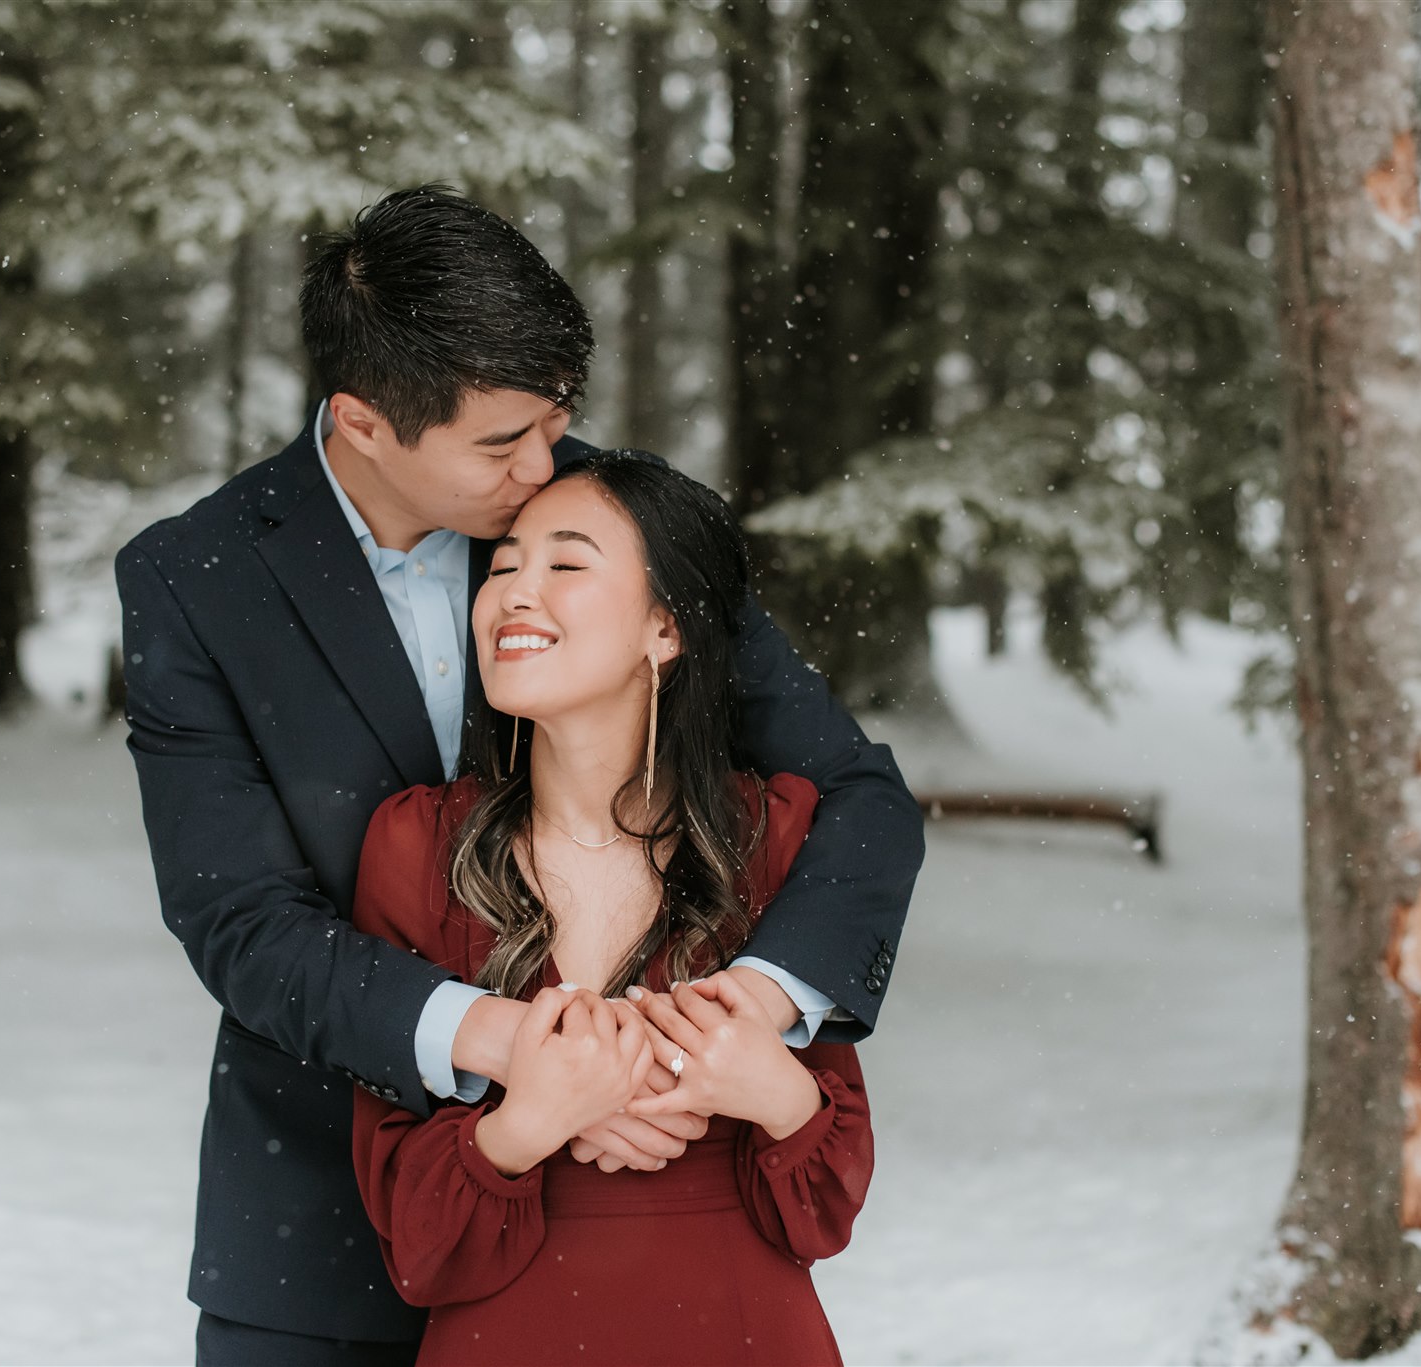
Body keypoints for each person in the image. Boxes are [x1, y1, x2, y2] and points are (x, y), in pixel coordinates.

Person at [115, 184, 922, 1366]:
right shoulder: (195, 579)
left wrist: (740, 1010)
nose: (545, 460)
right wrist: (513, 1049)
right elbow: (238, 920)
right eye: (503, 442)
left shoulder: (607, 519)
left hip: (622, 1258)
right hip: (316, 1240)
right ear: (362, 422)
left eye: (554, 419)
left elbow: (858, 796)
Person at [352, 453, 871, 1365]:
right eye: (504, 564)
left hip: (744, 1333)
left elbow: (824, 1210)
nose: (514, 591)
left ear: (664, 628)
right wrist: (527, 1123)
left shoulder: (779, 836)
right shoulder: (415, 849)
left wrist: (769, 1088)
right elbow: (414, 1236)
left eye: (567, 561)